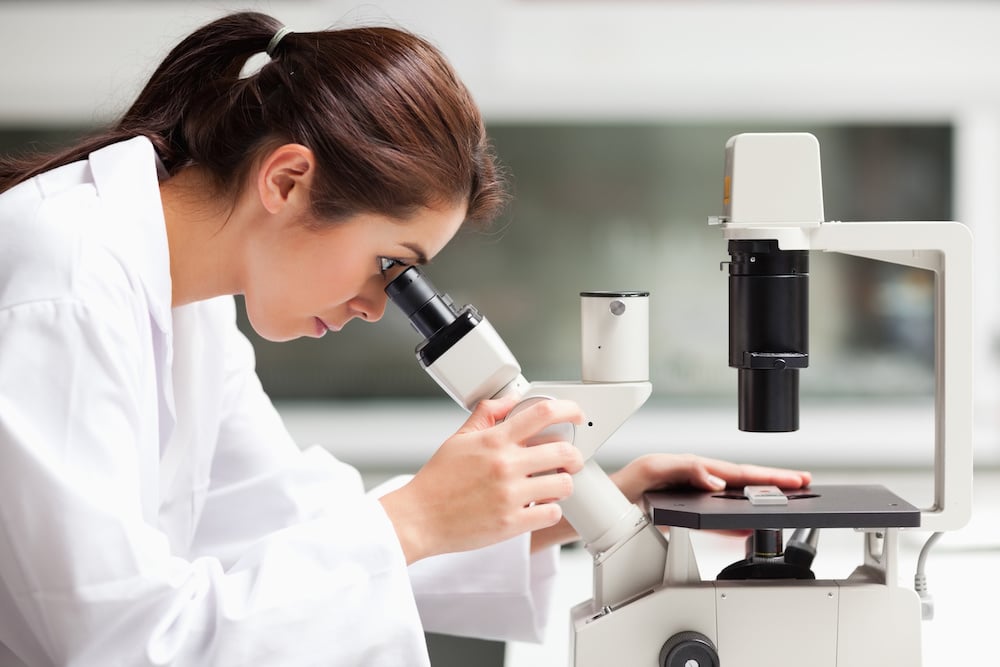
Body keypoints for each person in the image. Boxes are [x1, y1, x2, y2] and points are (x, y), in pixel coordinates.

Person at [0, 11, 811, 666]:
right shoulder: (64, 284)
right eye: (391, 265)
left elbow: (282, 520)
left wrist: (589, 501)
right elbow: (109, 645)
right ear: (286, 180)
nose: (375, 304)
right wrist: (416, 515)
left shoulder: (191, 297)